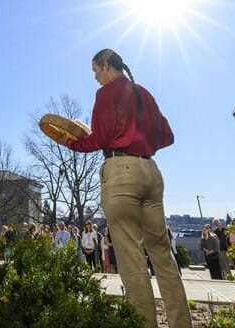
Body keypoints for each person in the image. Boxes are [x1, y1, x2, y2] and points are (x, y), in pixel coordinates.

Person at [54, 48, 191, 328]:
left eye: (95, 70)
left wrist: (71, 141)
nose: (95, 77)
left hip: (121, 172)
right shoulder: (143, 92)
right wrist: (138, 140)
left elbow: (99, 139)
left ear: (105, 65)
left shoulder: (107, 93)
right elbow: (167, 136)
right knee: (163, 258)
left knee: (131, 262)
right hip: (151, 172)